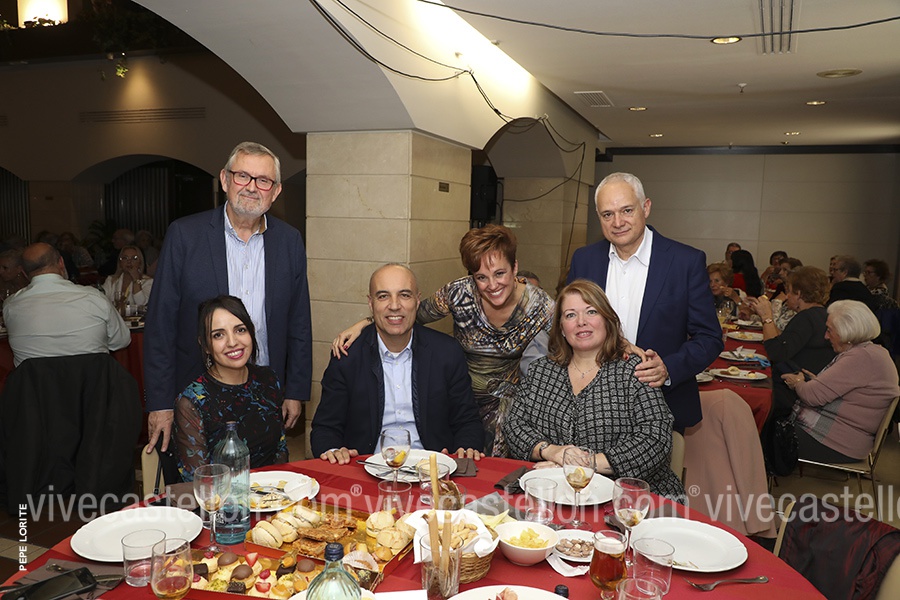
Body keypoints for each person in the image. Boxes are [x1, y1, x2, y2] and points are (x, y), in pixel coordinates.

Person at [144, 141, 312, 455]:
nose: (252, 187)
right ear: (224, 179)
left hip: (264, 395)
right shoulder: (185, 235)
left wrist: (295, 391)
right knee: (200, 481)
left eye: (263, 180)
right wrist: (160, 403)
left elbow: (299, 322)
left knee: (266, 479)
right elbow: (160, 325)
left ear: (275, 191)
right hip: (196, 396)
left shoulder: (289, 241)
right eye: (242, 176)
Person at [333, 225, 554, 456]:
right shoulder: (460, 294)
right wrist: (366, 324)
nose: (492, 285)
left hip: (505, 406)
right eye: (481, 277)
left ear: (515, 267)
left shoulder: (540, 307)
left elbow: (565, 347)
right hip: (458, 396)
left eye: (500, 274)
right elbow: (407, 314)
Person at [567, 172, 723, 431]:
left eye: (627, 210)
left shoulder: (685, 262)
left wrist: (668, 368)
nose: (618, 222)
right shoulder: (584, 260)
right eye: (607, 214)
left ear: (646, 207)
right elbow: (567, 326)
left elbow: (709, 337)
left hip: (662, 407)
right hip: (589, 408)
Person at [503, 280, 684, 499]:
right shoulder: (541, 370)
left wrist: (585, 465)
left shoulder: (635, 370)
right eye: (570, 315)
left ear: (607, 320)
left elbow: (656, 439)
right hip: (556, 493)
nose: (581, 322)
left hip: (634, 499)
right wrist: (552, 452)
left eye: (591, 311)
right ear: (561, 328)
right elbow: (514, 425)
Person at [312, 264, 484, 464]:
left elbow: (468, 421)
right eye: (383, 296)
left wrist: (464, 448)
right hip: (365, 468)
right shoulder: (347, 357)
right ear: (371, 303)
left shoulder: (446, 352)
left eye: (404, 295)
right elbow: (325, 428)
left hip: (431, 469)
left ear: (417, 301)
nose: (394, 305)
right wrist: (334, 450)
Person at [173, 295, 287, 481]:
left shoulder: (268, 380)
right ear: (205, 345)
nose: (233, 342)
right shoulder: (192, 402)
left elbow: (280, 449)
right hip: (222, 497)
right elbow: (199, 480)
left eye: (240, 330)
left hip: (273, 491)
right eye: (218, 335)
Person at [782, 300, 899, 463]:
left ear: (846, 332)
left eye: (830, 330)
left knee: (765, 435)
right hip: (847, 439)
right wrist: (814, 382)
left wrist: (798, 382)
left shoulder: (861, 357)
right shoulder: (873, 352)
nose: (826, 336)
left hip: (836, 442)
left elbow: (811, 396)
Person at [2, 243, 130, 366]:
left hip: (36, 381)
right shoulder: (94, 298)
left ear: (24, 273)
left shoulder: (11, 305)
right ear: (61, 263)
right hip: (91, 380)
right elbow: (121, 341)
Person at [747, 267, 836, 423]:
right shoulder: (822, 314)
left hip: (792, 392)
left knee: (749, 396)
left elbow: (775, 352)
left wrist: (766, 316)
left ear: (799, 294)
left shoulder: (806, 318)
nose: (786, 296)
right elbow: (784, 340)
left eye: (789, 291)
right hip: (811, 386)